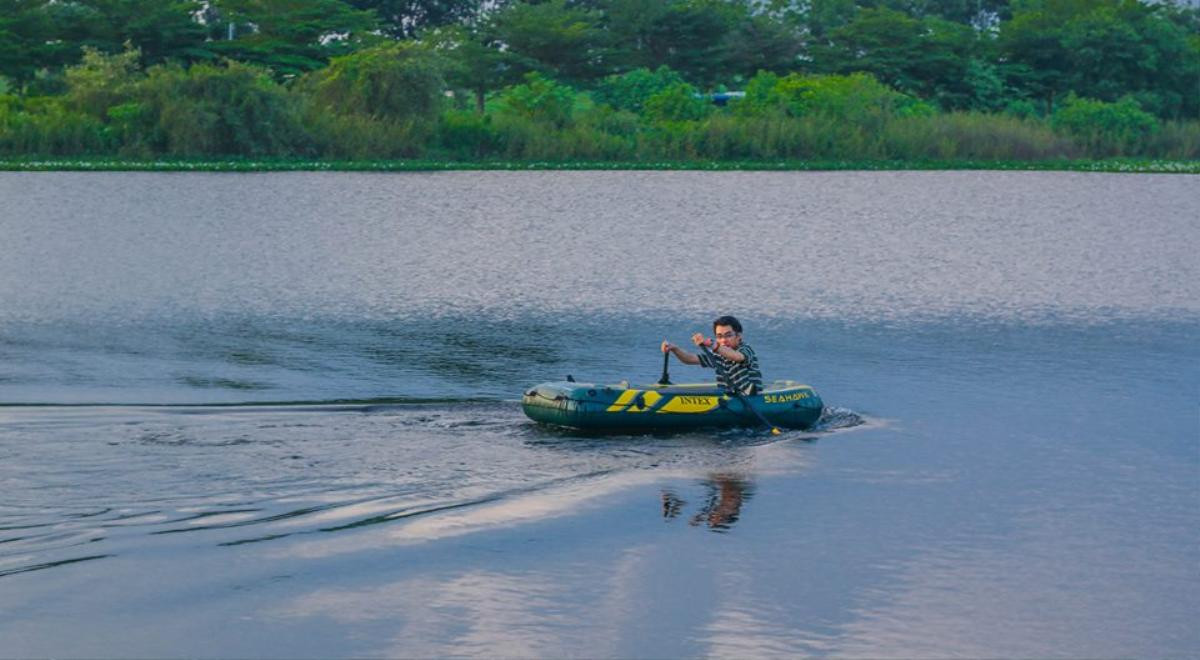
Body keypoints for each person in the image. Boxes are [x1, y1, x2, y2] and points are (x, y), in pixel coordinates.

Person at [660, 315, 763, 395]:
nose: (723, 340)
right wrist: (674, 348)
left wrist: (712, 344)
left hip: (752, 397)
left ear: (739, 336)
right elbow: (689, 359)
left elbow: (737, 357)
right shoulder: (718, 354)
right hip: (731, 396)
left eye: (728, 335)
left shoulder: (745, 349)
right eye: (719, 336)